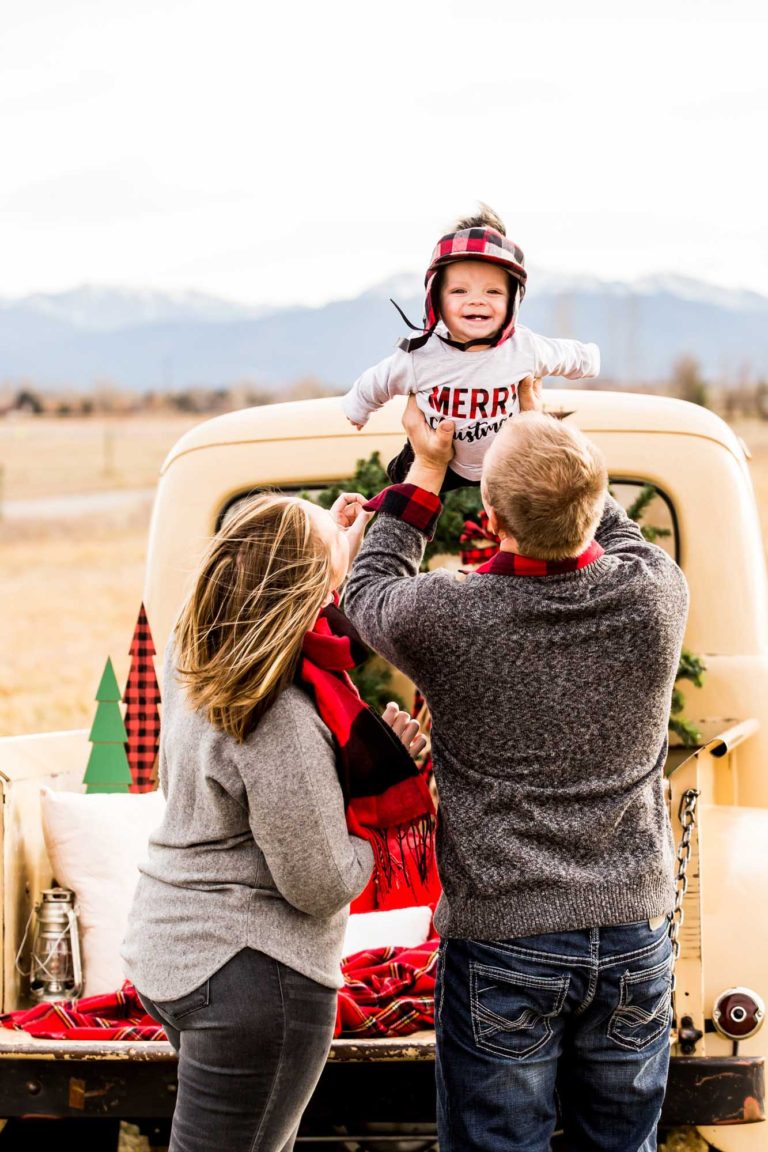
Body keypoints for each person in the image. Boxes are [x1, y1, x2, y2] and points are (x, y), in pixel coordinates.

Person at [342, 390, 690, 1152]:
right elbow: (610, 524)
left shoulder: (451, 617)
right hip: (635, 932)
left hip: (504, 940)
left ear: (490, 520)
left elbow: (365, 589)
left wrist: (428, 469)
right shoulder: (654, 598)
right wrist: (550, 438)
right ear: (594, 502)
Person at [120, 490, 433, 1152]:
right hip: (251, 976)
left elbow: (272, 578)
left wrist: (335, 544)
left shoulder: (194, 652)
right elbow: (319, 882)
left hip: (176, 952)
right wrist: (380, 804)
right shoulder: (281, 718)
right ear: (311, 590)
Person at [340, 203, 600, 492]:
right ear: (436, 299)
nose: (476, 300)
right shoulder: (420, 354)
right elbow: (379, 381)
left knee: (530, 492)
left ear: (512, 301)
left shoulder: (524, 348)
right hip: (438, 453)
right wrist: (358, 408)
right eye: (459, 291)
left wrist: (590, 359)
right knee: (406, 481)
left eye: (492, 291)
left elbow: (564, 355)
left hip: (504, 458)